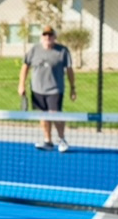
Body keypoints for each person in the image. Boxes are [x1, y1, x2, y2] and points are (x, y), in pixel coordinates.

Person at [18, 24, 77, 152]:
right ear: (42, 37)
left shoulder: (63, 51)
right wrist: (21, 84)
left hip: (55, 89)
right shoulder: (34, 50)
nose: (48, 37)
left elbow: (69, 70)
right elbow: (25, 67)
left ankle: (62, 140)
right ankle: (48, 141)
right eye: (45, 35)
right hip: (37, 89)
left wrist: (73, 88)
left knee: (55, 114)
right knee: (42, 115)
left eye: (50, 35)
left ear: (54, 36)